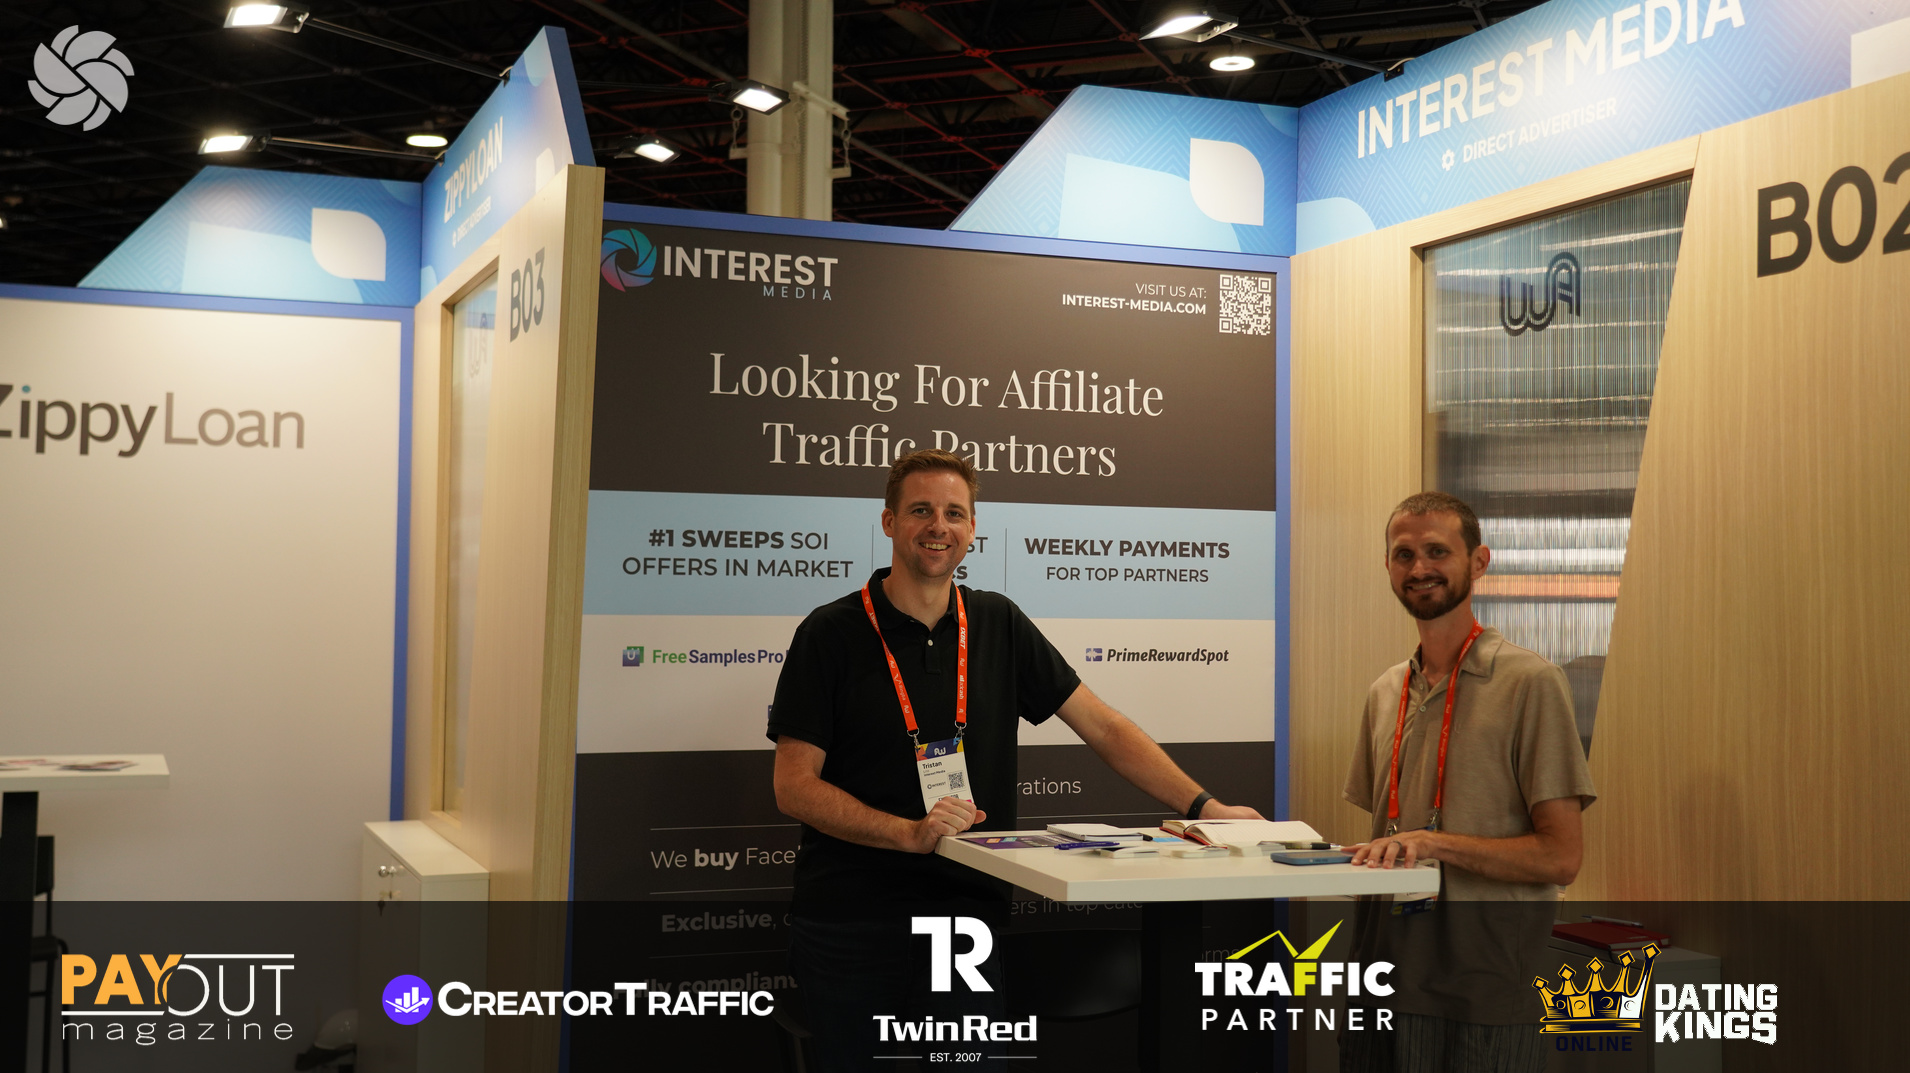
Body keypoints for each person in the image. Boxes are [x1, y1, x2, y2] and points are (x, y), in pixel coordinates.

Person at [767, 449, 1260, 1069]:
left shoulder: (997, 621)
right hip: (852, 921)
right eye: (921, 510)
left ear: (973, 529)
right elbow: (794, 785)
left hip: (965, 922)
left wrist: (1205, 807)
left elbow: (1104, 727)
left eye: (955, 513)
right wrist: (907, 833)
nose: (938, 526)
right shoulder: (830, 632)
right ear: (889, 521)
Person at [1339, 491, 1597, 1073]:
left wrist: (1435, 843)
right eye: (1404, 555)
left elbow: (1561, 858)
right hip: (1381, 988)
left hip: (1484, 998)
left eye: (1437, 551)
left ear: (1478, 562)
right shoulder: (1385, 692)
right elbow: (1389, 837)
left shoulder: (1530, 682)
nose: (1419, 568)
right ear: (1388, 567)